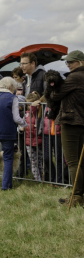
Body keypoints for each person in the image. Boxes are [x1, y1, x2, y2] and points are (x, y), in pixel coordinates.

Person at [47, 50, 84, 206]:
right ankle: (79, 194)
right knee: (81, 162)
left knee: (73, 161)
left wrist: (48, 92)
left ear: (80, 62)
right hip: (81, 121)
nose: (68, 64)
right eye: (67, 62)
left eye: (71, 62)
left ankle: (76, 196)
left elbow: (55, 95)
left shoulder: (75, 76)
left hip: (71, 121)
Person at [0, 76, 27, 191]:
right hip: (7, 131)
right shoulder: (13, 98)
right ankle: (6, 185)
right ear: (11, 86)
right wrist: (24, 123)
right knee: (8, 158)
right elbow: (16, 118)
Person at [22, 92, 43, 181]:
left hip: (39, 141)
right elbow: (21, 124)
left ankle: (42, 177)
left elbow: (34, 111)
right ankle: (38, 179)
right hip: (28, 141)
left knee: (40, 161)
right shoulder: (26, 114)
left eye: (31, 104)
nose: (29, 106)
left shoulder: (40, 114)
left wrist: (34, 106)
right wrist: (21, 129)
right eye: (27, 104)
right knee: (33, 161)